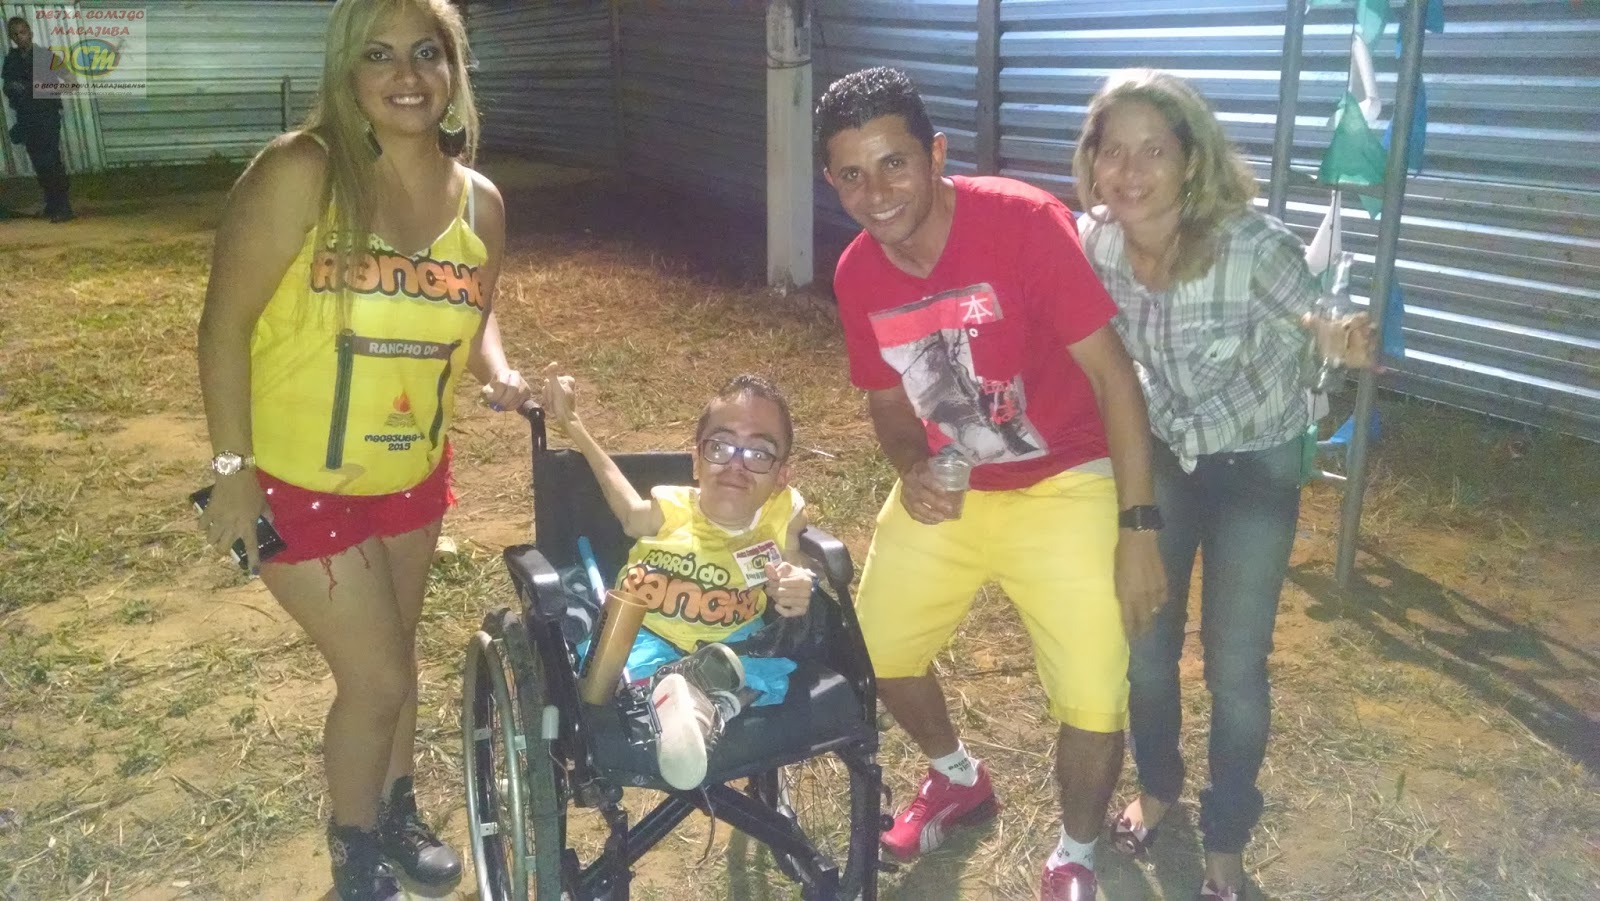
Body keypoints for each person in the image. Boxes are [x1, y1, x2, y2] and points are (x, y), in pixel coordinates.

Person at [194, 1, 532, 898]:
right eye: (379, 56)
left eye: (427, 53)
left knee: (399, 652)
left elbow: (476, 311)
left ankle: (396, 807)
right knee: (376, 676)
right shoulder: (301, 172)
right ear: (347, 71)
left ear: (454, 69)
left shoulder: (481, 202)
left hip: (411, 471)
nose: (406, 76)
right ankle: (354, 845)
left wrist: (501, 370)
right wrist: (232, 473)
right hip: (296, 477)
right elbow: (223, 326)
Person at [816, 66, 1169, 900]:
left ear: (936, 155)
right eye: (853, 175)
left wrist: (1138, 526)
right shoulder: (858, 273)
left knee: (1093, 690)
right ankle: (957, 778)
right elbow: (888, 404)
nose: (877, 193)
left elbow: (1115, 378)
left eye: (894, 163)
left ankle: (1077, 852)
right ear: (832, 182)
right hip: (957, 481)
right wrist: (913, 468)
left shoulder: (1021, 222)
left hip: (1068, 477)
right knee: (876, 651)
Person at [1072, 69, 1376, 901]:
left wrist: (1338, 338)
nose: (1131, 171)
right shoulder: (1096, 243)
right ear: (1092, 161)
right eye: (1113, 151)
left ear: (1192, 159)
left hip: (1255, 465)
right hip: (1166, 454)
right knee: (1146, 649)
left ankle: (1227, 840)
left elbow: (1314, 321)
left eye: (1154, 150)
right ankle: (1158, 785)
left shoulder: (1252, 244)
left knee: (1235, 666)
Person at [541, 368, 817, 790]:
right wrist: (574, 424)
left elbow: (798, 566)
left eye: (759, 453)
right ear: (696, 460)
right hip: (643, 634)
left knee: (758, 669)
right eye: (720, 446)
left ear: (782, 475)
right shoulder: (671, 507)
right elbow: (625, 507)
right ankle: (691, 704)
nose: (736, 465)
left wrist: (799, 583)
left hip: (731, 645)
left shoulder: (783, 515)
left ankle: (692, 709)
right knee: (624, 668)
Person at [4, 16, 74, 222]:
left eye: (22, 32)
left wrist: (45, 90)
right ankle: (52, 205)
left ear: (31, 33)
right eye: (15, 34)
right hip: (26, 118)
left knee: (51, 161)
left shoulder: (45, 56)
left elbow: (71, 81)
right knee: (39, 163)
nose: (19, 37)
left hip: (46, 116)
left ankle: (64, 207)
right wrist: (13, 88)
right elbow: (7, 86)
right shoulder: (12, 60)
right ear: (11, 38)